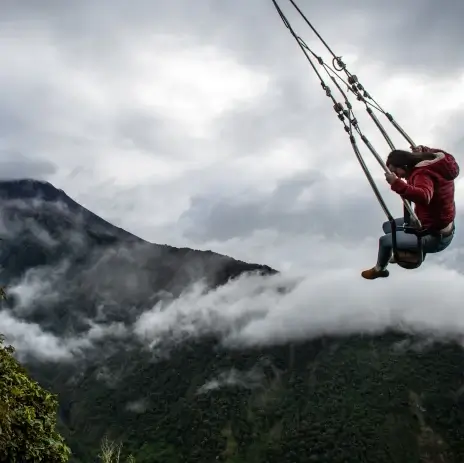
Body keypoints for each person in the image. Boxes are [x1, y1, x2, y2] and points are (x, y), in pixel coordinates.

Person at [362, 145, 459, 280]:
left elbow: (424, 196)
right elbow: (440, 153)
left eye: (396, 171)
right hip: (433, 222)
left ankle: (380, 269)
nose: (397, 176)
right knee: (387, 226)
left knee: (385, 241)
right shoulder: (437, 163)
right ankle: (406, 246)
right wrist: (424, 149)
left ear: (405, 165)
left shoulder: (422, 174)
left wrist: (396, 183)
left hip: (435, 236)